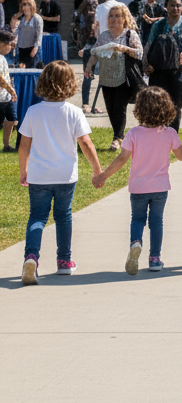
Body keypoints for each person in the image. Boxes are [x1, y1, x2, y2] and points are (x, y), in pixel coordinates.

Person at [92, 86, 182, 274]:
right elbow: (181, 156)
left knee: (138, 219)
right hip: (160, 188)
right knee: (157, 222)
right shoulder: (170, 133)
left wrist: (103, 175)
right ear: (167, 108)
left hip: (138, 187)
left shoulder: (133, 133)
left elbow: (122, 159)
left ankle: (135, 243)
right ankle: (155, 259)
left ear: (139, 108)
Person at [19, 61, 103, 284]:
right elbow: (86, 143)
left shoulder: (33, 111)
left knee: (37, 216)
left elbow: (24, 145)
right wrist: (97, 171)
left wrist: (23, 169)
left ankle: (31, 257)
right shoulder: (74, 112)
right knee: (63, 216)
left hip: (39, 176)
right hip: (65, 176)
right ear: (70, 84)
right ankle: (64, 261)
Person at [85, 3, 143, 151]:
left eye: (118, 16)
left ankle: (117, 138)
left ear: (124, 19)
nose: (114, 19)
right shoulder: (104, 36)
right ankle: (118, 136)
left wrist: (124, 49)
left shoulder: (130, 34)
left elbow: (139, 53)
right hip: (106, 78)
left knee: (119, 107)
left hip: (124, 77)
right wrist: (89, 66)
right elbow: (95, 52)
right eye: (111, 16)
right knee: (110, 108)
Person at [144, 0, 182, 131]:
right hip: (158, 71)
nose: (176, 8)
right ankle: (157, 134)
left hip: (179, 72)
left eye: (178, 5)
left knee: (175, 106)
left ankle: (172, 135)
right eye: (172, 5)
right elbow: (149, 45)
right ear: (167, 7)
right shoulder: (158, 25)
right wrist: (145, 64)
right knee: (157, 105)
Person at [15, 0, 44, 68]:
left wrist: (36, 47)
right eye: (24, 6)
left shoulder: (37, 18)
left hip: (33, 48)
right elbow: (17, 31)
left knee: (33, 69)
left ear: (32, 8)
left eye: (28, 6)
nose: (25, 8)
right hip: (22, 48)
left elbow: (39, 34)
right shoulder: (22, 19)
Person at [0, 29, 17, 152]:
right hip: (1, 97)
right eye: (10, 44)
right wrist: (11, 90)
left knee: (11, 119)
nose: (11, 47)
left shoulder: (3, 58)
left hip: (6, 96)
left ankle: (6, 146)